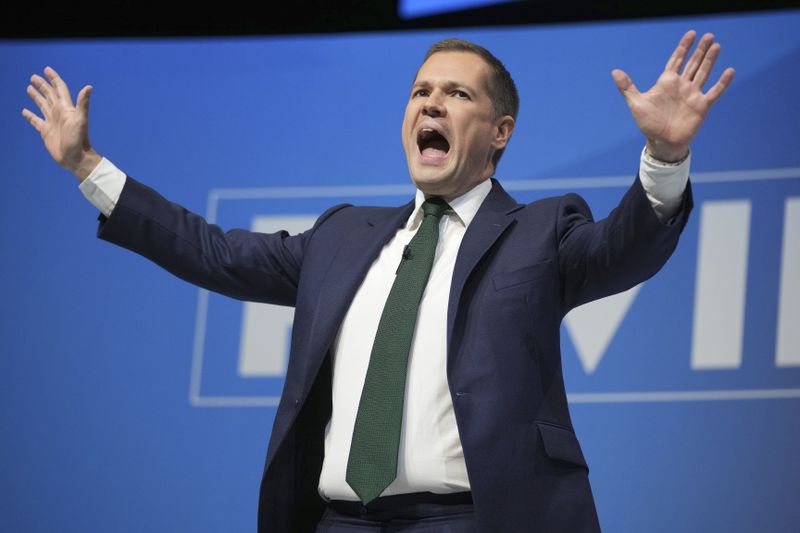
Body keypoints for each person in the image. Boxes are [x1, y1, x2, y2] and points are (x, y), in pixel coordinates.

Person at [23, 31, 733, 532]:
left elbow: (626, 247)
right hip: (339, 521)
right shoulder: (343, 237)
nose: (430, 104)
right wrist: (89, 167)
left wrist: (665, 156)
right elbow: (213, 251)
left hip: (474, 519)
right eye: (420, 91)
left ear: (500, 132)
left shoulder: (541, 231)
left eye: (456, 94)